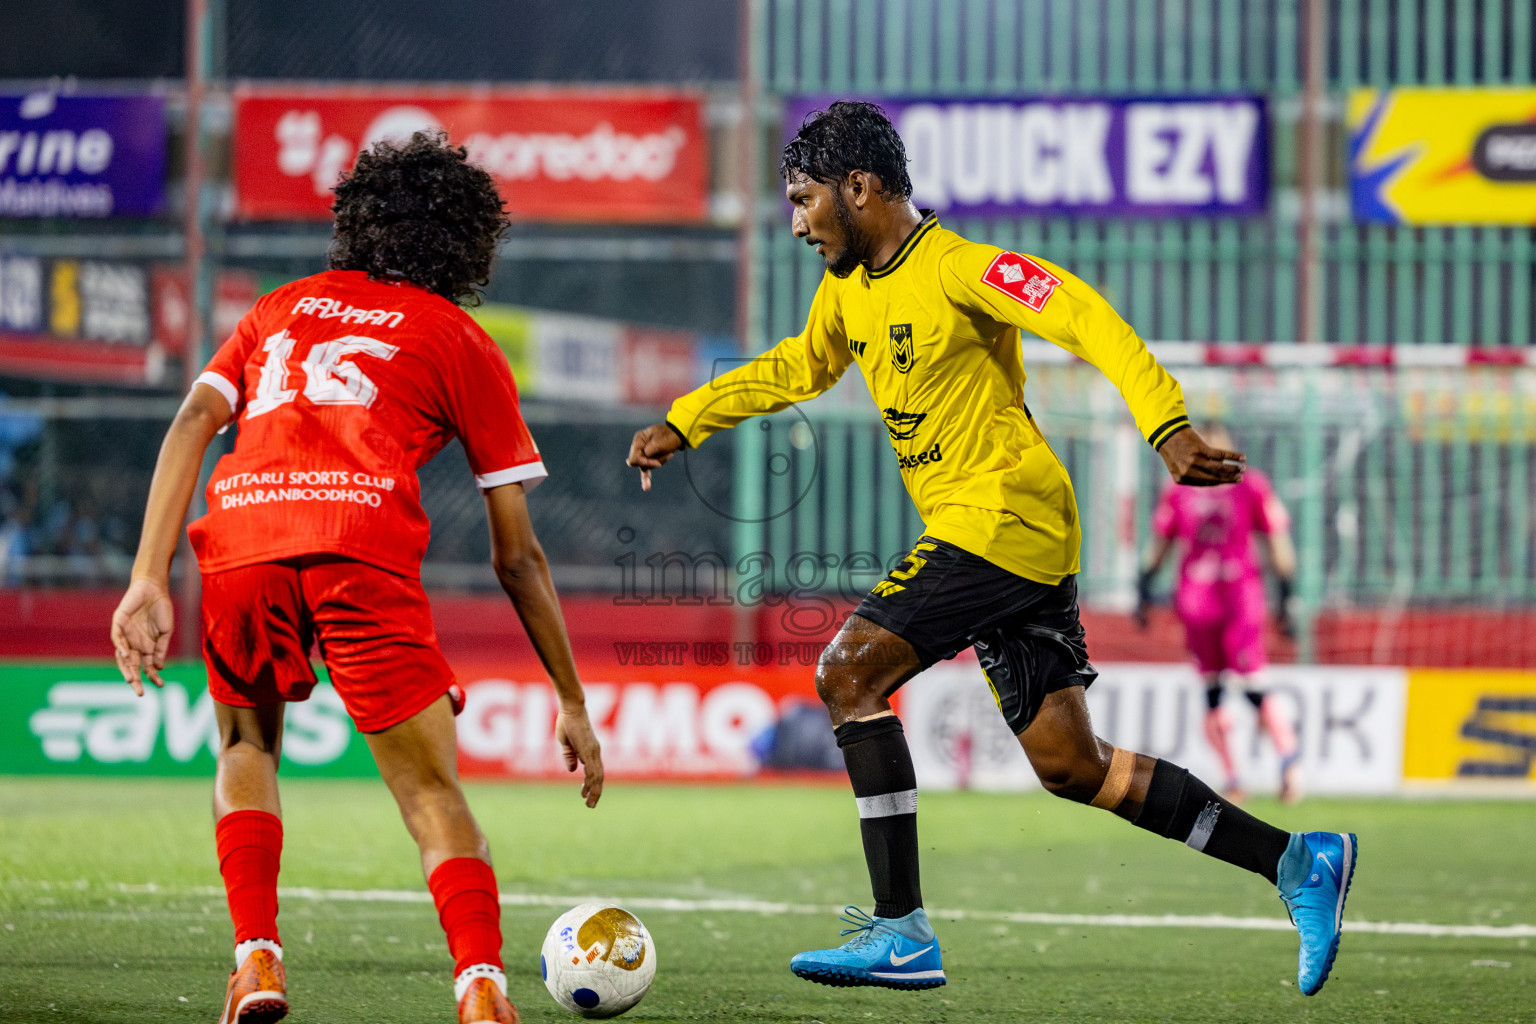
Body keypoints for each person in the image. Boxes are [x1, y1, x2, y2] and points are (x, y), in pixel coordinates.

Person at [627, 102, 1355, 998]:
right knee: (1071, 767)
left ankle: (901, 930)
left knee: (848, 673)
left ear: (859, 189)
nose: (796, 221)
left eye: (805, 199)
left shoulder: (964, 268)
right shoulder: (847, 288)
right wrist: (687, 419)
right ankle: (1297, 862)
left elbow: (1081, 314)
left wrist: (1164, 422)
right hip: (1001, 539)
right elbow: (796, 368)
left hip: (1003, 519)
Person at [110, 132, 603, 1024]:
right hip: (357, 542)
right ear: (466, 242)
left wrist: (147, 576)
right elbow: (516, 554)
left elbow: (192, 418)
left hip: (243, 534)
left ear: (357, 222)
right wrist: (569, 696)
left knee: (247, 748)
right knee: (429, 793)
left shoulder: (277, 309)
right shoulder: (460, 339)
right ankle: (481, 988)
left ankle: (257, 962)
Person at [1137, 422, 1302, 802]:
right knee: (1211, 691)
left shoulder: (1252, 486)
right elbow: (1160, 542)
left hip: (1240, 600)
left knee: (1250, 684)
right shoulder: (1179, 490)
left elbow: (1277, 542)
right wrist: (1143, 586)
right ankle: (1232, 779)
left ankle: (1288, 760)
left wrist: (1287, 595)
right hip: (1196, 605)